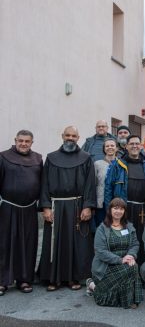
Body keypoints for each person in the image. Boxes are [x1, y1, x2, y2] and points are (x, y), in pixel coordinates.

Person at [39, 126, 96, 291]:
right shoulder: (51, 158)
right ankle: (53, 278)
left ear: (78, 138)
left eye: (73, 135)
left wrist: (87, 206)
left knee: (76, 243)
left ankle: (74, 277)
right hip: (56, 205)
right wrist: (46, 206)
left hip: (77, 206)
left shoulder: (86, 158)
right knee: (54, 243)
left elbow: (90, 184)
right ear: (62, 136)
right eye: (67, 135)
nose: (70, 138)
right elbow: (44, 183)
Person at [0, 130, 42, 296]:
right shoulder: (3, 157)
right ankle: (3, 281)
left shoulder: (38, 159)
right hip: (7, 208)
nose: (23, 144)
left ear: (32, 142)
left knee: (28, 244)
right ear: (15, 140)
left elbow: (42, 183)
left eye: (27, 141)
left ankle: (24, 279)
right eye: (20, 141)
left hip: (30, 208)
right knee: (4, 244)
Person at [104, 135, 145, 264]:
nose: (135, 146)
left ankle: (140, 271)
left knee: (141, 239)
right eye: (131, 144)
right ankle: (124, 271)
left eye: (137, 143)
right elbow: (108, 187)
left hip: (142, 211)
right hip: (123, 209)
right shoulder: (117, 164)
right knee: (124, 239)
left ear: (141, 146)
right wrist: (109, 210)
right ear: (126, 146)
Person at [87, 198, 142, 308]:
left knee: (132, 265)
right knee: (132, 267)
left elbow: (135, 244)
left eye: (121, 209)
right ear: (110, 210)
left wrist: (130, 255)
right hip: (106, 267)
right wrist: (120, 260)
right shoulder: (102, 229)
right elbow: (100, 252)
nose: (118, 211)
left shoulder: (129, 227)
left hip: (125, 264)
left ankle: (129, 299)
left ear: (124, 211)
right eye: (115, 208)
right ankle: (93, 286)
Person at [94, 138, 117, 227]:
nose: (110, 147)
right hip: (101, 203)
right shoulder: (97, 164)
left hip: (116, 203)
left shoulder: (121, 164)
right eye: (107, 146)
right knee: (101, 227)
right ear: (104, 149)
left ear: (116, 148)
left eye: (112, 145)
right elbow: (94, 184)